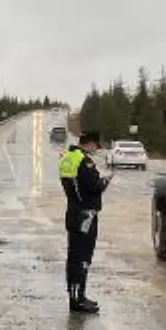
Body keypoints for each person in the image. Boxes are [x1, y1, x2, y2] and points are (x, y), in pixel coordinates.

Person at [58, 131, 110, 313]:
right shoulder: (84, 161)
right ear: (90, 144)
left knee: (74, 257)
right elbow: (93, 187)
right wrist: (104, 181)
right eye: (95, 146)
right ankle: (79, 300)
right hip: (86, 215)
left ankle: (75, 297)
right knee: (82, 259)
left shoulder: (67, 157)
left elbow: (72, 184)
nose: (95, 150)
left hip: (73, 212)